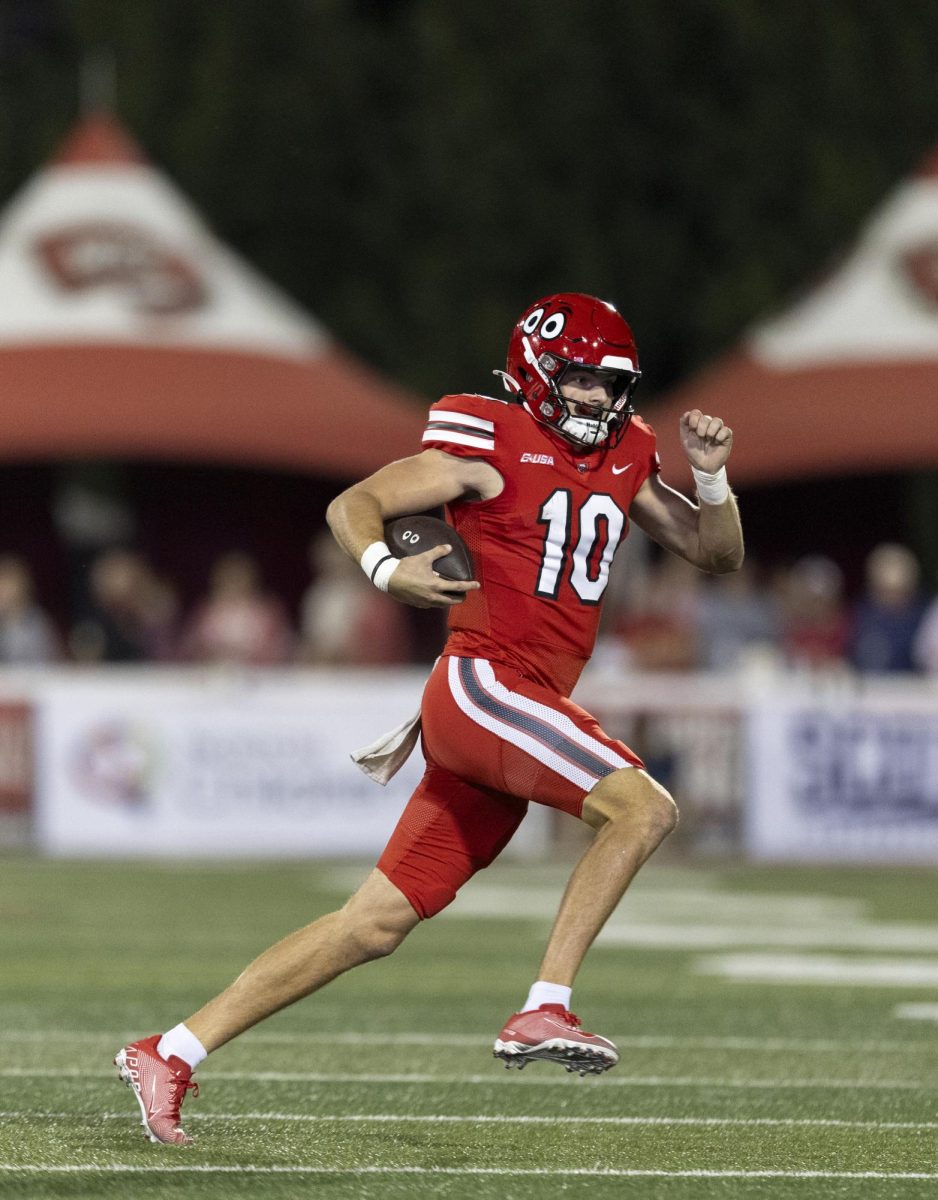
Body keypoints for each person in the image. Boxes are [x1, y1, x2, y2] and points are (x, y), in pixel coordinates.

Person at [114, 292, 744, 1145]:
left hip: (525, 701)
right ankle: (545, 1006)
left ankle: (172, 1050)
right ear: (540, 373)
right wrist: (383, 569)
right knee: (646, 809)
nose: (599, 399)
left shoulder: (629, 451)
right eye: (583, 380)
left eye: (611, 384)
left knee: (370, 925)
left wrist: (710, 477)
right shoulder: (489, 436)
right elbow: (354, 504)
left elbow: (716, 553)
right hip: (486, 683)